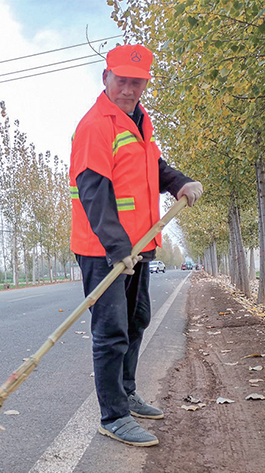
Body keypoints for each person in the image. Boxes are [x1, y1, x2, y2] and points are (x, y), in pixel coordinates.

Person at [70, 45, 203, 446]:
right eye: (122, 80)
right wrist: (117, 247)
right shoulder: (97, 124)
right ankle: (112, 416)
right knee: (111, 331)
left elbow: (154, 168)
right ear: (105, 78)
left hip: (138, 244)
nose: (129, 89)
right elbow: (92, 190)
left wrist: (179, 182)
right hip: (104, 248)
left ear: (145, 84)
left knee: (136, 320)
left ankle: (126, 392)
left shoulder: (139, 122)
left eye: (137, 82)